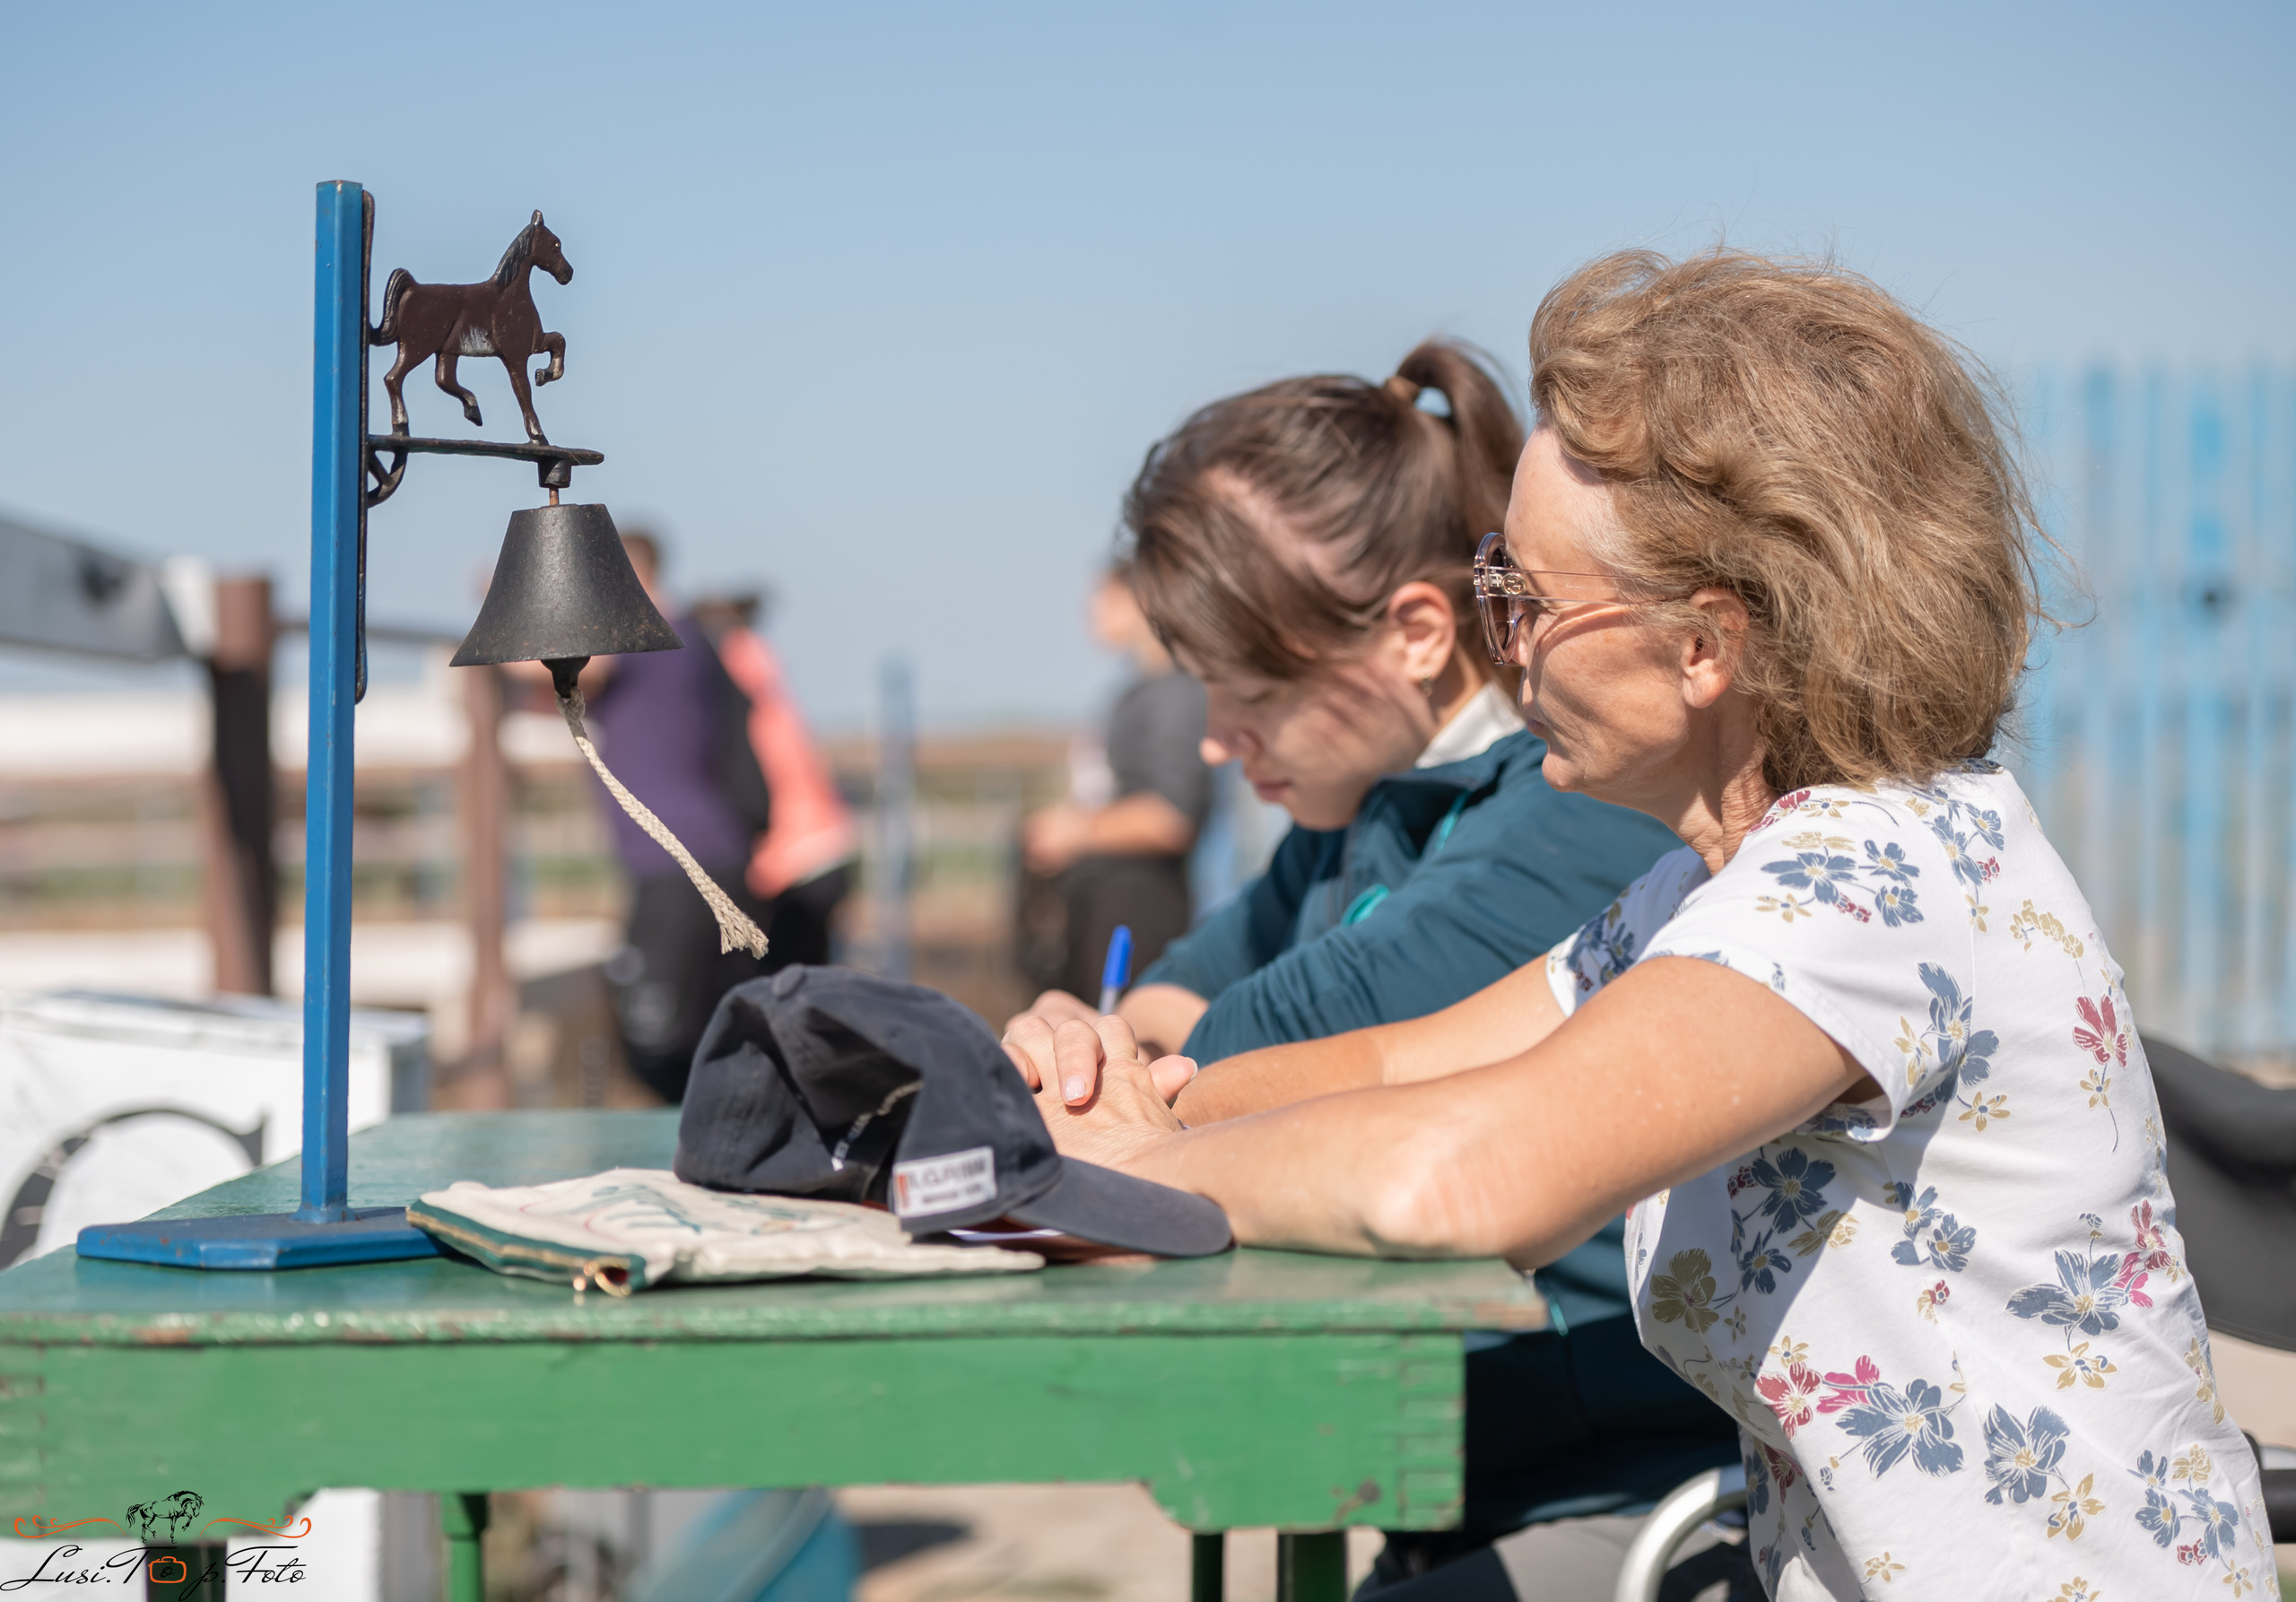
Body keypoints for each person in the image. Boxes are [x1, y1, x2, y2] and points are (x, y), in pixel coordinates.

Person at [1007, 251, 2276, 1600]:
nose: (1510, 646)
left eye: (1532, 603)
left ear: (1705, 644)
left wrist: (1131, 1164)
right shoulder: (1715, 887)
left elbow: (1465, 1176)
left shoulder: (1863, 883)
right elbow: (1399, 1066)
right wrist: (1138, 1110)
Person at [1007, 340, 1715, 1576]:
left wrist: (1122, 1074)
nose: (1222, 747)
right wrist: (1105, 1050)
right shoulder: (1363, 815)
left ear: (1417, 633)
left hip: (1617, 1485)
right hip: (1473, 1474)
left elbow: (1244, 1050)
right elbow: (1184, 996)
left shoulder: (1564, 825)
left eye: (1252, 698)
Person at [514, 530, 774, 1103]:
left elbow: (536, 671)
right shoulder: (686, 635)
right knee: (705, 1029)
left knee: (656, 1041)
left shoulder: (639, 635)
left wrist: (507, 600)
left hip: (676, 863)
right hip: (712, 851)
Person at [1020, 565, 1211, 1002]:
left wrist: (1076, 831)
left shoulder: (1175, 695)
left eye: (1100, 600)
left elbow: (1171, 816)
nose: (1087, 614)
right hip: (1109, 898)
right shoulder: (1140, 691)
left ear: (1139, 598)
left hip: (1138, 903)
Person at [707, 601, 858, 969]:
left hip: (791, 858)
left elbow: (751, 786)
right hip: (825, 846)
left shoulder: (734, 685)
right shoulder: (767, 683)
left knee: (782, 988)